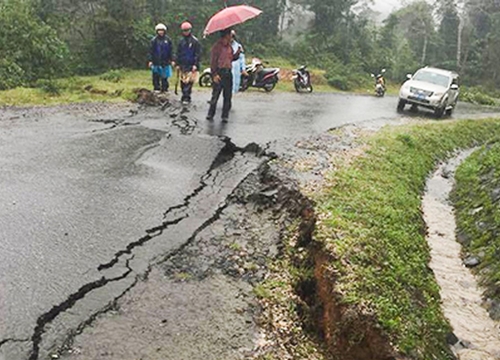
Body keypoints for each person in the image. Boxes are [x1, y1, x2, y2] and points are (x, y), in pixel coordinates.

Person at [207, 29, 241, 122]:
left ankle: (225, 115)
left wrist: (238, 52)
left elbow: (232, 58)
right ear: (226, 35)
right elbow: (213, 61)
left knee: (227, 96)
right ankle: (211, 114)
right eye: (230, 35)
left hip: (228, 72)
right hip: (219, 72)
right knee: (215, 95)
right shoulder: (217, 47)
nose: (231, 37)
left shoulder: (229, 47)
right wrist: (214, 74)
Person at [176, 21, 201, 104]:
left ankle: (187, 97)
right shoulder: (180, 41)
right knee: (183, 81)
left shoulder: (195, 41)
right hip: (183, 64)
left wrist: (195, 64)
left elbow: (197, 54)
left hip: (191, 64)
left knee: (189, 81)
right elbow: (178, 53)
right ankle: (184, 95)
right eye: (184, 30)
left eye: (187, 30)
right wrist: (177, 64)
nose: (186, 32)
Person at [148, 23, 173, 93]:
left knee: (165, 76)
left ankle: (165, 88)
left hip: (165, 61)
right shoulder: (154, 40)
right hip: (156, 61)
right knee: (156, 75)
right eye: (159, 30)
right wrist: (150, 60)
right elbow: (151, 51)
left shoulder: (168, 40)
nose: (161, 32)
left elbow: (170, 50)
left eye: (162, 30)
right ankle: (156, 88)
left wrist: (172, 59)